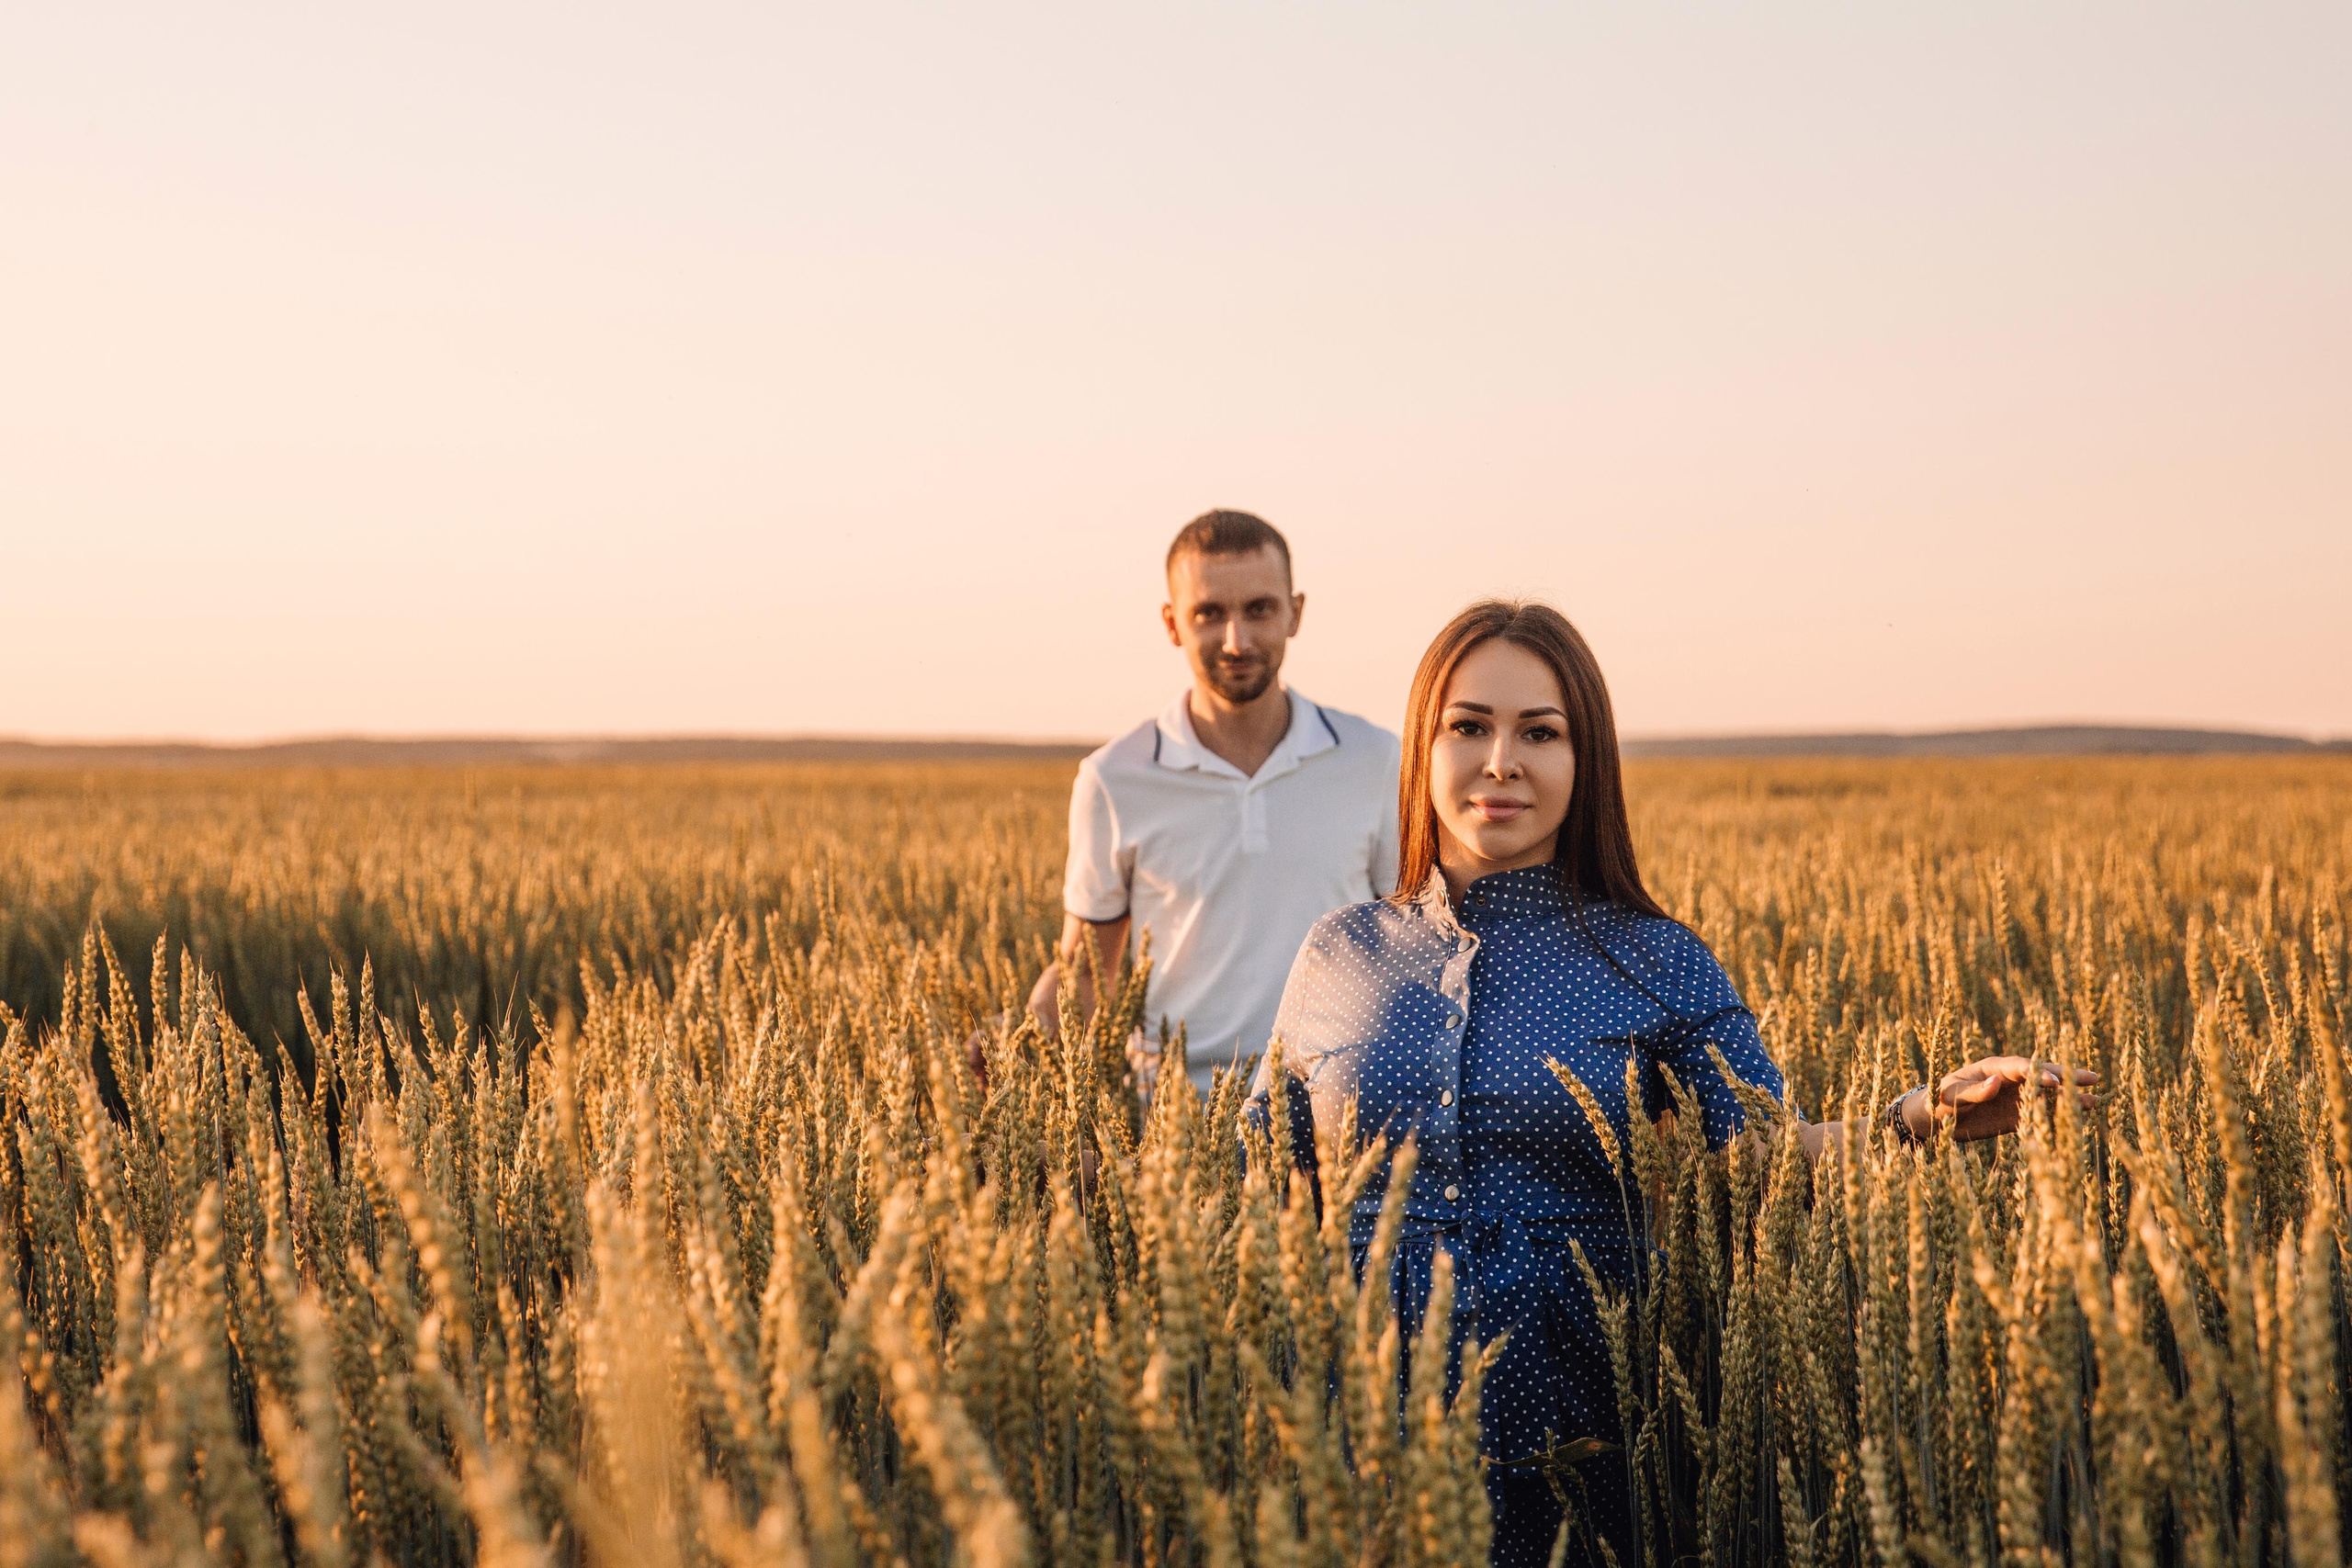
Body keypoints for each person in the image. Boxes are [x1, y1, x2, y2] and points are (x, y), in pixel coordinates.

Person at [1245, 599, 2097, 1568]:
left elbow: (1764, 1145)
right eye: (1468, 726)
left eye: (1540, 732)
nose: (1500, 762)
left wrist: (1922, 1116)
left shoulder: (1655, 959)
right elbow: (1263, 1176)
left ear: (1587, 759)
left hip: (1581, 1408)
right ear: (1422, 748)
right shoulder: (1337, 952)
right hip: (1361, 1418)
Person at [1027, 510, 1401, 1103]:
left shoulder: (1375, 759)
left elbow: (1413, 940)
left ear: (1295, 612)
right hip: (1173, 1120)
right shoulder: (1112, 779)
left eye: (1259, 608)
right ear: (1172, 623)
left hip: (1333, 1113)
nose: (1236, 640)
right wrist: (1017, 1041)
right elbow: (1085, 973)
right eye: (1210, 614)